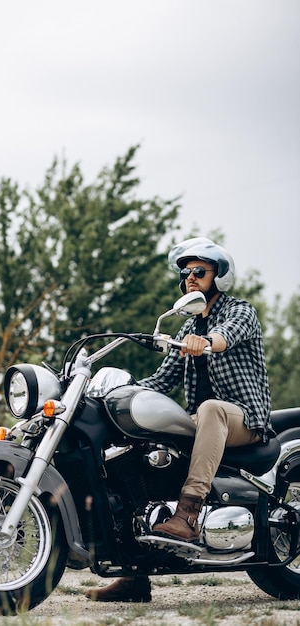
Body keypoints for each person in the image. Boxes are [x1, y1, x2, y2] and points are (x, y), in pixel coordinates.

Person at [85, 237, 272, 602]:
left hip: (243, 418)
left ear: (220, 276)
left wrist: (208, 342)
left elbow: (226, 336)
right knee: (138, 442)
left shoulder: (240, 311)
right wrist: (119, 392)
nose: (190, 277)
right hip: (203, 424)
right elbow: (161, 380)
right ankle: (134, 573)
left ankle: (187, 514)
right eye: (185, 272)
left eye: (199, 271)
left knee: (210, 408)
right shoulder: (188, 329)